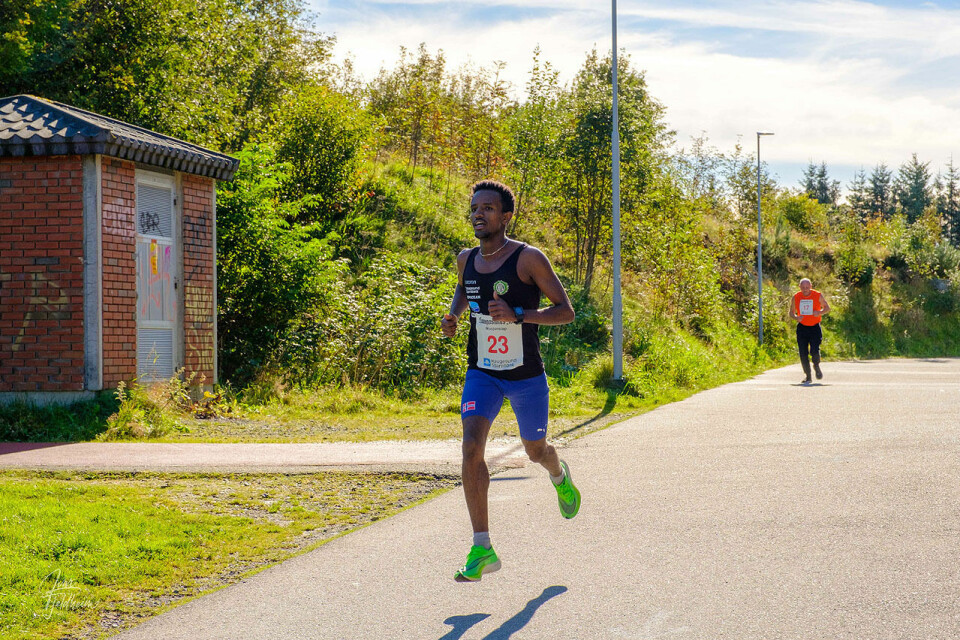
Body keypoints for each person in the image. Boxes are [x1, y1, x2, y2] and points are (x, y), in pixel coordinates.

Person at [440, 179, 580, 582]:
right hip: (482, 372)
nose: (478, 214)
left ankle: (558, 475)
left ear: (506, 215)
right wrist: (453, 317)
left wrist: (518, 314)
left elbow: (565, 311)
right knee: (470, 449)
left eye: (487, 208)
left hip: (525, 377)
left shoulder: (528, 258)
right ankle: (482, 547)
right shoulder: (465, 259)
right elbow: (464, 291)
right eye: (474, 207)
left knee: (535, 450)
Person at [788, 277, 831, 384]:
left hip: (815, 327)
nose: (805, 289)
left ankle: (816, 365)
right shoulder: (796, 297)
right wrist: (796, 317)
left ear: (811, 286)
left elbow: (827, 308)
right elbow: (791, 313)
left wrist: (819, 312)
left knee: (814, 350)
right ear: (800, 287)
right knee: (803, 353)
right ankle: (808, 376)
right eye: (803, 287)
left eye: (807, 287)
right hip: (802, 327)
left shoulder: (817, 295)